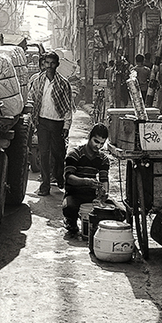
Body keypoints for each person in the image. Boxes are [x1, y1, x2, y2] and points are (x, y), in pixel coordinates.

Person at [27, 51, 74, 196]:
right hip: (42, 122)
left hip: (58, 123)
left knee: (58, 154)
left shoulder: (63, 83)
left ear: (57, 65)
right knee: (44, 154)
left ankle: (59, 176)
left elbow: (67, 107)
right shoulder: (38, 81)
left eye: (52, 63)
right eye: (47, 63)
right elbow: (31, 98)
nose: (49, 66)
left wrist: (66, 126)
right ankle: (45, 186)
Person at [62, 123, 111, 237]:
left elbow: (104, 178)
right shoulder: (74, 154)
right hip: (74, 194)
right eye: (96, 141)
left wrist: (104, 192)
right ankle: (70, 222)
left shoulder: (103, 159)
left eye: (102, 143)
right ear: (89, 137)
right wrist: (86, 181)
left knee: (119, 212)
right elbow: (68, 178)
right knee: (69, 208)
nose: (98, 146)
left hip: (92, 195)